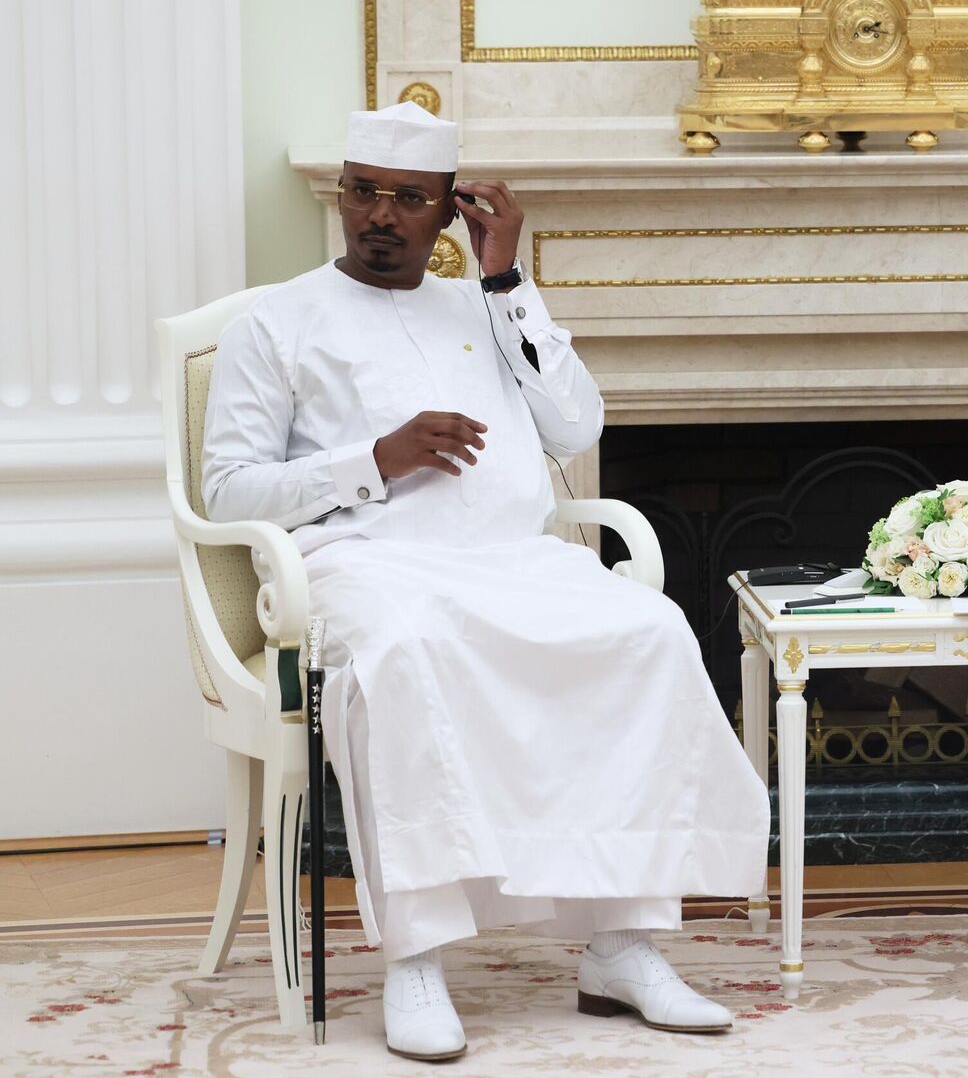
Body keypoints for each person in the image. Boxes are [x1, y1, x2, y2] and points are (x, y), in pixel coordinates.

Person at [202, 102, 770, 1060]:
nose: (383, 215)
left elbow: (576, 427)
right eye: (365, 192)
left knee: (651, 632)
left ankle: (622, 947)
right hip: (365, 563)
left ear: (448, 211)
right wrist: (372, 459)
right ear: (340, 196)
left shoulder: (487, 306)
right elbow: (227, 491)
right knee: (408, 652)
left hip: (516, 561)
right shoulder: (276, 321)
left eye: (409, 198)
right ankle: (416, 960)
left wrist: (507, 279)